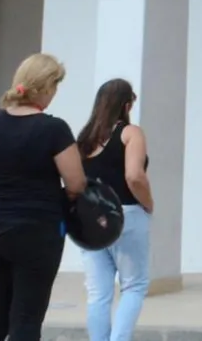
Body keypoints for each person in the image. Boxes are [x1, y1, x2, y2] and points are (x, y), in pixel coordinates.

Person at [0, 53, 87, 341]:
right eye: (55, 86)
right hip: (34, 234)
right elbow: (76, 182)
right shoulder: (54, 129)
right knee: (26, 321)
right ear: (45, 87)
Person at [77, 79, 153, 341]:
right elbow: (134, 176)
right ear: (126, 105)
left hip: (90, 221)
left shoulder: (84, 140)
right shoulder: (130, 133)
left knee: (98, 294)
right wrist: (148, 203)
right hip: (126, 214)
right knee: (134, 286)